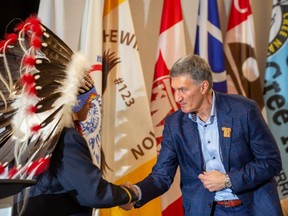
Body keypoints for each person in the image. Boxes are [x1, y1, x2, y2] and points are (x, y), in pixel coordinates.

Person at [0, 17, 138, 216]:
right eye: (88, 99)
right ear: (73, 101)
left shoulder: (33, 136)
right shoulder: (67, 138)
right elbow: (93, 193)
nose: (91, 105)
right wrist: (128, 194)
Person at [121, 54, 283, 215]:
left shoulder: (244, 110)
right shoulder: (174, 124)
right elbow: (161, 175)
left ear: (203, 87)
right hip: (206, 210)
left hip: (252, 207)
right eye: (174, 90)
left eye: (183, 89)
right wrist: (134, 193)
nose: (177, 97)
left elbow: (271, 162)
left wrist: (228, 180)